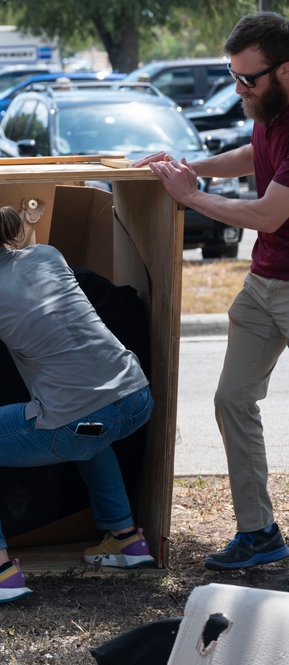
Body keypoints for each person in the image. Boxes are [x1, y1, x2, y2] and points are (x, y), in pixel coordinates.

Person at [0, 198, 155, 605]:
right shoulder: (48, 254)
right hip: (134, 400)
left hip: (79, 421)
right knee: (91, 426)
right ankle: (126, 541)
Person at [133, 11, 289, 571]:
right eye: (234, 76)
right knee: (231, 399)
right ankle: (259, 533)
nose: (239, 89)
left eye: (250, 79)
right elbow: (255, 156)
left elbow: (269, 214)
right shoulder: (270, 111)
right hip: (264, 282)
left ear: (287, 71)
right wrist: (188, 169)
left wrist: (189, 197)